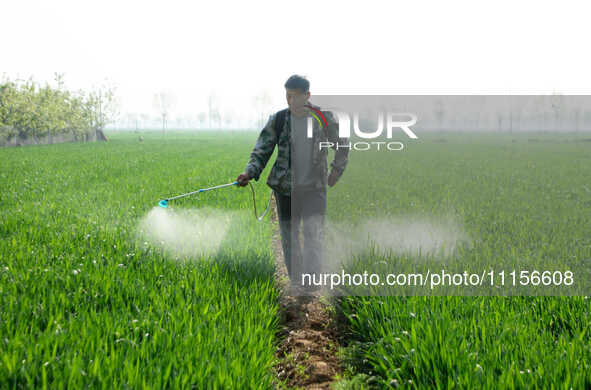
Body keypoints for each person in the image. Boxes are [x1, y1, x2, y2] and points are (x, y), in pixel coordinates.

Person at [236, 75, 349, 291]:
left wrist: (336, 170)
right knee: (289, 238)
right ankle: (297, 283)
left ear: (307, 95)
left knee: (313, 234)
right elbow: (262, 149)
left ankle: (312, 285)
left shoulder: (324, 119)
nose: (290, 101)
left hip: (314, 189)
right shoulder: (278, 120)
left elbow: (343, 145)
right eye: (288, 96)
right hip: (285, 189)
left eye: (295, 96)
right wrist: (249, 172)